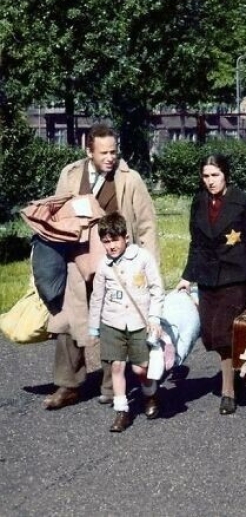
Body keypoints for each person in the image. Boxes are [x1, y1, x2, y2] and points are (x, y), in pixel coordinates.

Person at [42, 124, 158, 410]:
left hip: (117, 264)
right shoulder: (70, 176)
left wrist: (148, 270)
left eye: (113, 152)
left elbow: (147, 225)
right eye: (103, 152)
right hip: (76, 262)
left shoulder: (130, 179)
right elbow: (55, 217)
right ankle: (67, 385)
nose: (110, 157)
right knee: (68, 321)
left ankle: (110, 385)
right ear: (88, 151)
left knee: (113, 320)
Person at [176, 154, 246, 415]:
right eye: (205, 176)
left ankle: (228, 390)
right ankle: (242, 373)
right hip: (207, 277)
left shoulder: (244, 203)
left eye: (215, 175)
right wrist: (187, 276)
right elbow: (196, 243)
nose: (210, 181)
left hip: (236, 277)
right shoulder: (199, 202)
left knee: (224, 333)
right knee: (210, 334)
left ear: (226, 175)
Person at [87, 213, 164, 432]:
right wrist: (94, 326)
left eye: (115, 240)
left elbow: (157, 289)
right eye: (106, 241)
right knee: (117, 366)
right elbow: (97, 297)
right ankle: (122, 411)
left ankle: (150, 395)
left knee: (140, 369)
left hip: (140, 323)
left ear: (126, 237)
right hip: (112, 322)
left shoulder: (142, 258)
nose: (111, 246)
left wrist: (154, 317)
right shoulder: (104, 265)